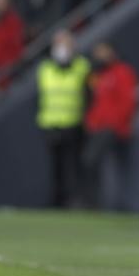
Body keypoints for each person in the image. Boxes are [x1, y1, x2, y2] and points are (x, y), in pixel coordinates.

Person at [36, 30, 90, 207]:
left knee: (74, 166)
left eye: (65, 44)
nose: (61, 48)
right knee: (54, 167)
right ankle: (55, 201)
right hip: (50, 123)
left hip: (74, 124)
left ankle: (74, 201)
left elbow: (89, 94)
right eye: (58, 44)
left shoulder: (82, 66)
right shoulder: (45, 68)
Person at [82, 43, 138, 209]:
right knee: (95, 163)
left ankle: (95, 203)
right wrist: (91, 121)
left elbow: (128, 101)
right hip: (98, 127)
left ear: (112, 52)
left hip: (113, 128)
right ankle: (95, 202)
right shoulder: (98, 75)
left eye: (102, 51)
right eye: (97, 52)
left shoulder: (122, 72)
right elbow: (95, 102)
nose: (99, 55)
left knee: (91, 160)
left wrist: (115, 124)